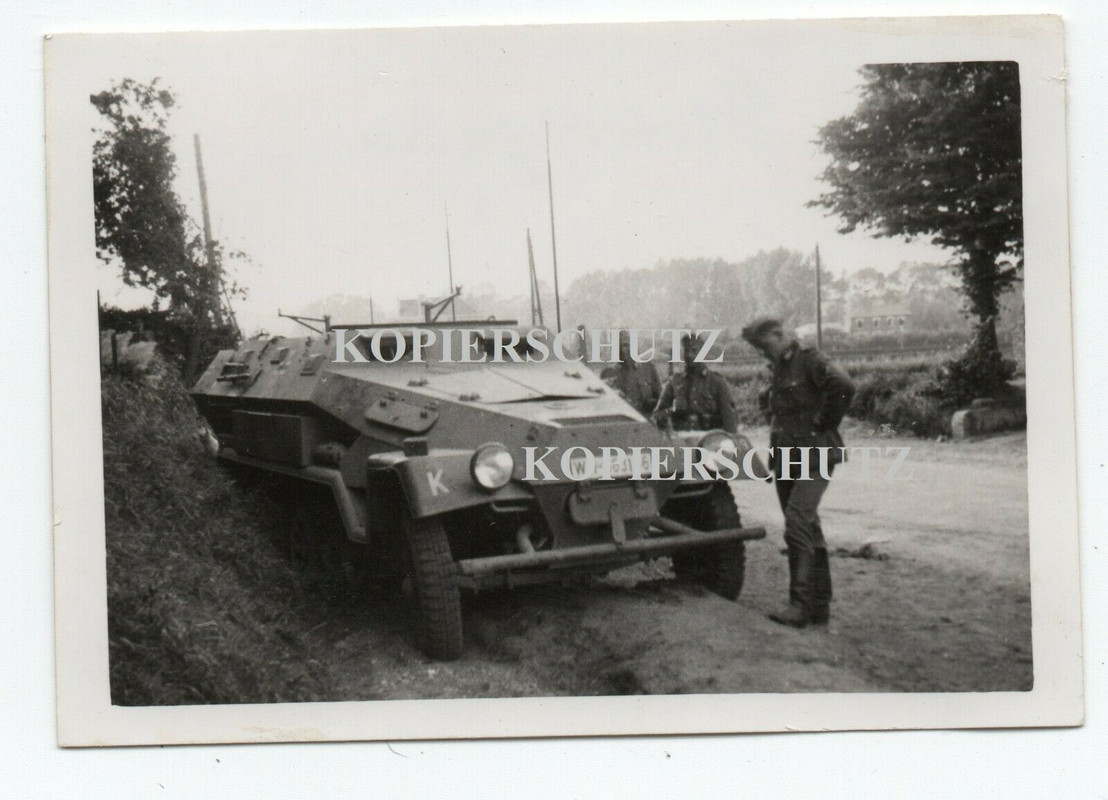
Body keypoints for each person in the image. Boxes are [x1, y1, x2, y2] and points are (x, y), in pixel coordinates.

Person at [741, 317, 856, 628]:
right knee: (808, 526)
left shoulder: (809, 359)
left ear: (779, 335)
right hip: (787, 456)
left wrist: (823, 423)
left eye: (765, 346)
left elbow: (844, 386)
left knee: (796, 522)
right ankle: (820, 605)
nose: (763, 354)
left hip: (815, 453)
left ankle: (800, 605)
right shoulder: (778, 367)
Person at [652, 332, 738, 433]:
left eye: (694, 351)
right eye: (686, 351)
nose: (689, 355)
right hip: (680, 442)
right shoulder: (673, 382)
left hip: (709, 441)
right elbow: (656, 415)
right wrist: (671, 410)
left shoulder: (717, 383)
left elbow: (730, 422)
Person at [600, 331, 663, 417]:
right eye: (625, 345)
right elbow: (607, 406)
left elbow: (662, 397)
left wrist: (653, 403)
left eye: (631, 344)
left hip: (649, 422)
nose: (629, 348)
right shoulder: (609, 373)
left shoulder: (648, 368)